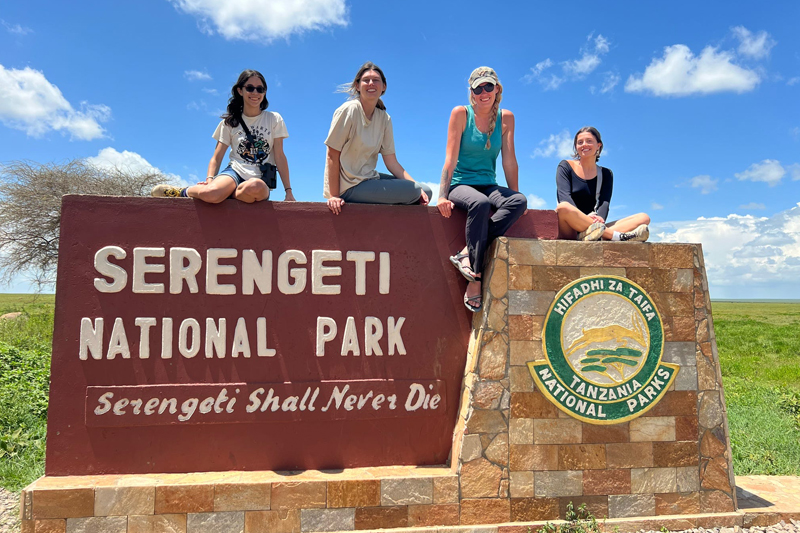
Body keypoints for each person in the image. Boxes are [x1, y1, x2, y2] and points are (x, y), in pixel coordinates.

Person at [437, 67, 527, 312]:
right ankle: (475, 279)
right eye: (478, 88)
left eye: (489, 86)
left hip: (488, 184)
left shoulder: (506, 118)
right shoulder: (460, 114)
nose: (484, 92)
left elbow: (509, 160)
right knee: (480, 204)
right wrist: (442, 195)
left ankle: (468, 251)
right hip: (461, 184)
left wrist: (515, 194)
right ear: (472, 93)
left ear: (497, 89)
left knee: (519, 201)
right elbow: (450, 158)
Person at [152, 69, 294, 203]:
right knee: (211, 193)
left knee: (255, 187)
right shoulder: (230, 123)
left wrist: (288, 191)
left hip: (260, 179)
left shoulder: (274, 119)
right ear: (240, 90)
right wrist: (209, 179)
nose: (255, 92)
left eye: (260, 89)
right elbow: (217, 156)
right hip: (235, 173)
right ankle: (184, 191)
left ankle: (226, 193)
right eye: (250, 88)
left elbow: (280, 156)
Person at [324, 61, 432, 214]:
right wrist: (334, 195)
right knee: (413, 192)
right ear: (357, 85)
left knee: (425, 192)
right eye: (366, 80)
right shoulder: (350, 110)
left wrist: (418, 188)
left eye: (375, 80)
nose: (370, 83)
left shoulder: (384, 118)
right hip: (347, 185)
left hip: (368, 179)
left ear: (384, 87)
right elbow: (332, 154)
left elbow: (392, 162)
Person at [555, 126, 649, 241]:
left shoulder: (606, 173)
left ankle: (592, 234)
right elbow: (564, 197)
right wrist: (584, 217)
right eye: (580, 142)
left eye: (589, 141)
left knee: (644, 218)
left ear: (598, 145)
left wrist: (599, 217)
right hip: (571, 226)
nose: (584, 144)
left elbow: (604, 203)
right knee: (563, 207)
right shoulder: (565, 166)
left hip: (595, 224)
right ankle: (616, 236)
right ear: (576, 147)